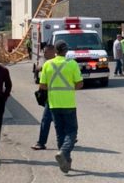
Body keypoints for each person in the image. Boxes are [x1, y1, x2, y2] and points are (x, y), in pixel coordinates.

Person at [39, 40, 83, 174]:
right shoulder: (72, 64)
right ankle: (63, 152)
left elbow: (42, 86)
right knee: (72, 131)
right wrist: (69, 88)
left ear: (56, 51)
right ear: (66, 50)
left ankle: (65, 161)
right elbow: (80, 84)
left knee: (60, 133)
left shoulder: (47, 64)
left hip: (53, 104)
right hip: (68, 103)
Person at [31, 44, 61, 151]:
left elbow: (42, 84)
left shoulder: (50, 64)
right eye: (44, 52)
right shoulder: (58, 62)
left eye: (46, 52)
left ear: (53, 52)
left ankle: (41, 142)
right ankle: (68, 137)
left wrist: (39, 68)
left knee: (46, 119)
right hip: (60, 98)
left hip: (53, 98)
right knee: (58, 119)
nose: (44, 54)